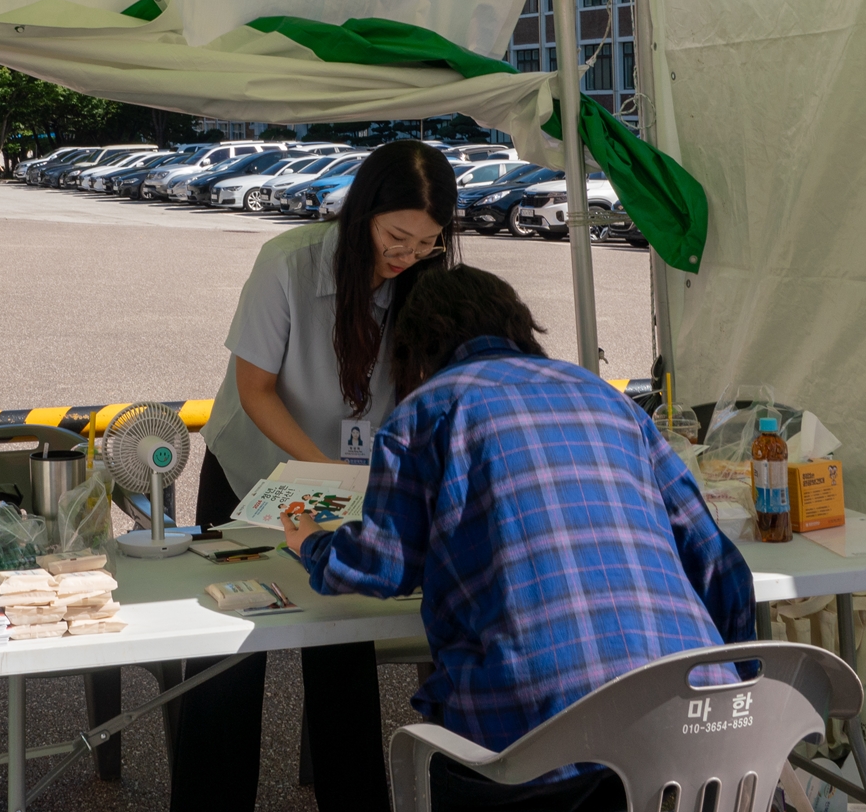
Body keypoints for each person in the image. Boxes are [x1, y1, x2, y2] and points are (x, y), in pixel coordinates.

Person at [280, 265, 756, 812]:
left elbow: (383, 566)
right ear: (518, 325)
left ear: (417, 349)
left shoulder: (423, 415)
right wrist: (738, 691)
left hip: (533, 747)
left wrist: (312, 544)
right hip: (693, 738)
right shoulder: (610, 399)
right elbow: (719, 564)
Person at [174, 139, 460, 812]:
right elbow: (256, 389)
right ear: (363, 214)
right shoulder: (288, 263)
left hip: (346, 482)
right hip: (252, 473)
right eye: (396, 237)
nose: (406, 257)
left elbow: (421, 394)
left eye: (426, 244)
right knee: (229, 654)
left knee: (341, 649)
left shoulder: (422, 280)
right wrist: (323, 470)